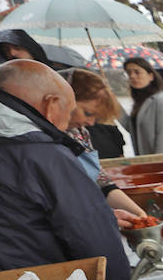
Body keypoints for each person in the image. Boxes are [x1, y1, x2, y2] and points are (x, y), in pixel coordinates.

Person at [0, 60, 131, 280]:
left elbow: (7, 217)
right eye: (68, 112)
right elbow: (94, 241)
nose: (68, 123)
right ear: (51, 104)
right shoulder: (43, 155)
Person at [64, 68, 149, 222]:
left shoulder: (80, 133)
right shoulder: (41, 139)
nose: (90, 123)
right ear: (66, 99)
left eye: (95, 118)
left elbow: (102, 182)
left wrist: (140, 214)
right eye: (88, 113)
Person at [123, 57, 163, 155]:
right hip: (148, 163)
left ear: (151, 76)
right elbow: (132, 128)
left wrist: (157, 163)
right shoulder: (140, 102)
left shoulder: (162, 101)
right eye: (129, 73)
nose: (132, 76)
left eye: (137, 72)